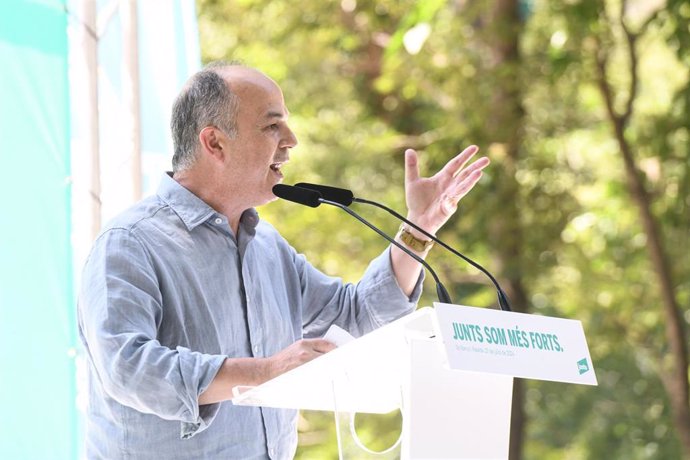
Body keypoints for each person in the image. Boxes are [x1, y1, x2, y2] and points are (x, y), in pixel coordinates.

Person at [77, 62, 490, 459]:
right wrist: (265, 371)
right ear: (214, 142)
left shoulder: (267, 247)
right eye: (272, 125)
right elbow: (127, 368)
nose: (291, 139)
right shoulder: (129, 244)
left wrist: (418, 229)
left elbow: (359, 315)